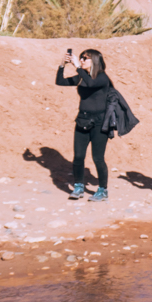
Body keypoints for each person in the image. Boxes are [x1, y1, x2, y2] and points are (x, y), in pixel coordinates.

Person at [57, 48, 113, 201]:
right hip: (82, 120)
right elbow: (60, 81)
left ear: (94, 61)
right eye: (80, 57)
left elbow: (91, 83)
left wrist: (78, 67)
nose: (81, 60)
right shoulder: (83, 76)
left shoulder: (102, 78)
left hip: (100, 123)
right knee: (78, 156)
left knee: (98, 157)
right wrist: (62, 65)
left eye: (85, 58)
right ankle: (78, 186)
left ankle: (103, 190)